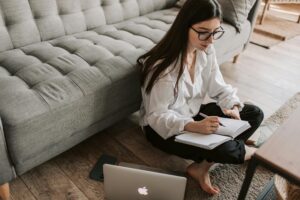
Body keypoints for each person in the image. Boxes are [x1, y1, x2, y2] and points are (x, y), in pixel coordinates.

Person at [137, 0, 264, 195]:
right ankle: (229, 153)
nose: (211, 40)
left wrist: (232, 106)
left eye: (215, 32)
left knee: (254, 113)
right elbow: (156, 116)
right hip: (164, 129)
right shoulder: (163, 68)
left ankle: (203, 164)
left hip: (193, 114)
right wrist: (194, 127)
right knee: (228, 150)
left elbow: (218, 86)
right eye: (204, 32)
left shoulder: (205, 49)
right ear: (184, 26)